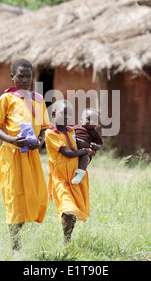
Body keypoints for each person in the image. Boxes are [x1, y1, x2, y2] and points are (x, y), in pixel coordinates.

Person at [0, 58, 50, 252]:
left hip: (31, 156)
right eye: (20, 76)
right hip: (12, 154)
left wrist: (40, 141)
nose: (24, 79)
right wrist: (12, 139)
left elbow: (44, 128)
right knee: (14, 197)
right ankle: (16, 248)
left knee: (35, 194)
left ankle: (22, 233)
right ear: (12, 76)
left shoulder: (38, 100)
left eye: (28, 76)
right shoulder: (6, 99)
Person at [45, 99, 94, 244]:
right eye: (64, 113)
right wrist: (85, 151)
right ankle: (66, 240)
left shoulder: (72, 131)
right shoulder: (50, 133)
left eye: (70, 114)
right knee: (67, 209)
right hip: (60, 178)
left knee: (74, 210)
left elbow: (78, 148)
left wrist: (89, 152)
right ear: (54, 113)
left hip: (75, 176)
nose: (67, 117)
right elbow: (68, 153)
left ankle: (68, 239)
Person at [71, 108, 103, 184]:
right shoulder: (76, 128)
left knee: (84, 159)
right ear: (81, 119)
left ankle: (80, 174)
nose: (91, 122)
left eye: (95, 121)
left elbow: (100, 144)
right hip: (74, 150)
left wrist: (96, 146)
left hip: (85, 153)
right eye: (89, 119)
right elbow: (68, 134)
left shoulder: (95, 133)